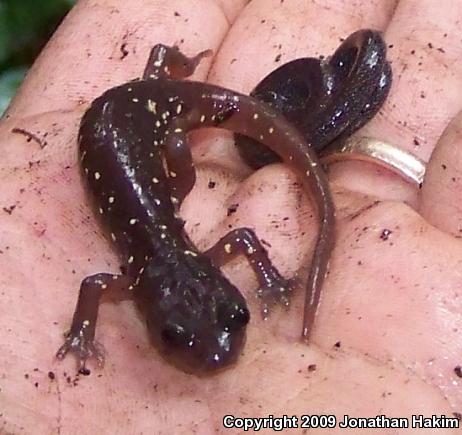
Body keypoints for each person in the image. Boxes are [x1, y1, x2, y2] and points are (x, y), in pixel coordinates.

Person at [1, 0, 461, 432]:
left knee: (176, 154)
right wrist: (272, 279)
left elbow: (97, 285)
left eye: (234, 317)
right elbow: (98, 284)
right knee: (176, 159)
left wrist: (271, 279)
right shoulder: (136, 277)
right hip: (136, 117)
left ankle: (169, 69)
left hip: (147, 114)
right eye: (176, 336)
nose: (220, 350)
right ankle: (168, 67)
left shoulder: (133, 278)